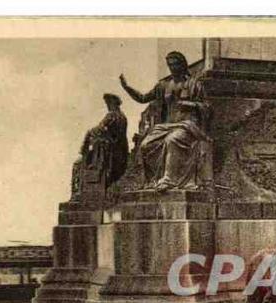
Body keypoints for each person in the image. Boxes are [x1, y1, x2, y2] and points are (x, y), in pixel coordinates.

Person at [119, 51, 211, 191]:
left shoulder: (194, 84)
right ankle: (152, 180)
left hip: (187, 125)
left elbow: (207, 108)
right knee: (145, 145)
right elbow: (143, 98)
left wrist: (191, 105)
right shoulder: (163, 86)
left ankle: (169, 179)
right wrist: (127, 88)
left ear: (183, 65)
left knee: (172, 140)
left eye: (175, 65)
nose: (172, 68)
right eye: (170, 65)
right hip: (166, 126)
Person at [71, 93, 129, 199]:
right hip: (120, 151)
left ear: (113, 103)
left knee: (81, 161)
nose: (107, 105)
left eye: (108, 103)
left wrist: (89, 135)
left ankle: (84, 158)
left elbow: (99, 129)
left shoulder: (112, 115)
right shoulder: (122, 116)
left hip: (112, 151)